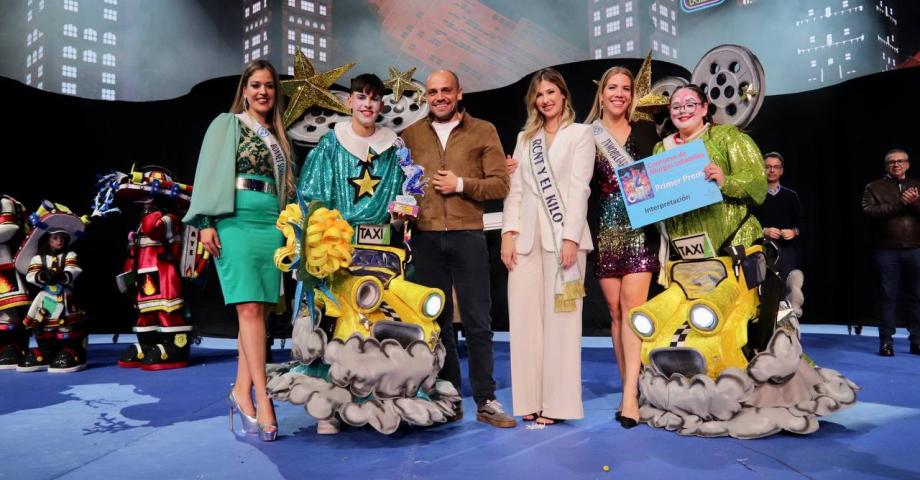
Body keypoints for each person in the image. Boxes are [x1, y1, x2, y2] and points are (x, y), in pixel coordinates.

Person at [183, 59, 296, 442]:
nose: (262, 92)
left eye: (268, 86)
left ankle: (240, 391)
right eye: (255, 85)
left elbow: (287, 190)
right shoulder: (227, 124)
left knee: (259, 313)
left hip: (270, 225)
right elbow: (208, 173)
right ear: (244, 90)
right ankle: (264, 401)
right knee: (248, 308)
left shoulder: (278, 135)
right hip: (235, 222)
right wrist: (204, 223)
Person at [400, 70, 515, 428]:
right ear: (427, 97)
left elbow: (500, 185)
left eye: (445, 90)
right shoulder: (410, 135)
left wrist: (460, 184)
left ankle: (486, 399)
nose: (439, 97)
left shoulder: (484, 130)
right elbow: (402, 185)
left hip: (468, 235)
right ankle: (449, 396)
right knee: (437, 322)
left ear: (459, 92)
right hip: (425, 237)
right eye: (433, 92)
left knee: (479, 322)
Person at [500, 68, 593, 425]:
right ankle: (530, 400)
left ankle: (558, 405)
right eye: (540, 95)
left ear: (564, 95)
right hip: (525, 241)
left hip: (565, 243)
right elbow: (516, 190)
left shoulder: (580, 134)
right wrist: (508, 233)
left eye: (552, 92)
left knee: (563, 322)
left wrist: (570, 237)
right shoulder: (526, 139)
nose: (546, 99)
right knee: (524, 321)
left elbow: (579, 188)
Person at [583, 66, 660, 428]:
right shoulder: (587, 135)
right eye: (612, 87)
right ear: (602, 94)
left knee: (633, 310)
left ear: (631, 95)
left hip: (640, 229)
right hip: (605, 232)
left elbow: (663, 172)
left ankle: (630, 396)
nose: (619, 93)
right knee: (614, 312)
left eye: (625, 88)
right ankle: (631, 382)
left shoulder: (645, 130)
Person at [654, 85, 766, 261]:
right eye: (676, 107)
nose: (682, 111)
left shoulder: (726, 136)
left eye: (690, 105)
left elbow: (757, 183)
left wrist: (725, 181)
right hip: (687, 252)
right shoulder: (661, 149)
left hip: (733, 245)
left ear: (704, 108)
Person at [115, 168, 194, 371]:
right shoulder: (143, 221)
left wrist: (152, 209)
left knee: (167, 310)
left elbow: (154, 229)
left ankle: (175, 348)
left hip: (165, 274)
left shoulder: (169, 218)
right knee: (146, 314)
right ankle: (147, 344)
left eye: (148, 194)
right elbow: (135, 252)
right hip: (144, 275)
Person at [14, 202, 88, 373]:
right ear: (47, 239)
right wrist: (43, 277)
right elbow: (31, 275)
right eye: (55, 238)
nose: (59, 240)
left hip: (66, 297)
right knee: (46, 324)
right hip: (48, 297)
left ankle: (70, 351)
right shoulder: (38, 259)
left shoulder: (70, 254)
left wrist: (63, 276)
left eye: (62, 238)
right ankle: (48, 352)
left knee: (66, 326)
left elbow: (73, 269)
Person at [861, 148, 920, 357]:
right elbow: (870, 212)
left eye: (900, 161)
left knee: (917, 296)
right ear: (886, 166)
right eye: (892, 162)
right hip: (886, 251)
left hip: (915, 249)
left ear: (907, 164)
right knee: (887, 297)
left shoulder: (917, 186)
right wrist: (900, 203)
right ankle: (886, 342)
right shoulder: (874, 187)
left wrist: (915, 203)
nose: (896, 165)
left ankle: (917, 341)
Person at [751, 152, 803, 280]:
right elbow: (747, 223)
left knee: (787, 291)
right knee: (762, 292)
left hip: (786, 252)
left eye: (776, 167)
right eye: (768, 167)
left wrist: (794, 232)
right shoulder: (755, 196)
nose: (772, 170)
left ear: (781, 171)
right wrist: (764, 231)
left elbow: (802, 222)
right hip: (761, 251)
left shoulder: (791, 196)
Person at [0, 195, 31, 369]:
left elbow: (9, 228)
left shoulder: (3, 202)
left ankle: (10, 347)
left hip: (2, 265)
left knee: (7, 311)